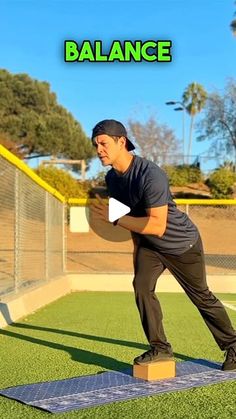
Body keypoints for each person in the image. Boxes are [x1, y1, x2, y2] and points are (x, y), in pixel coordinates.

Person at [91, 118, 236, 371]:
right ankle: (160, 349)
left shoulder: (151, 174)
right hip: (149, 246)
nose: (98, 150)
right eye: (95, 145)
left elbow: (156, 225)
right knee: (142, 286)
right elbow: (132, 219)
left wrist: (115, 219)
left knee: (201, 297)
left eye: (103, 143)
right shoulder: (112, 179)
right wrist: (137, 252)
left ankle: (234, 347)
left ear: (121, 141)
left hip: (182, 244)